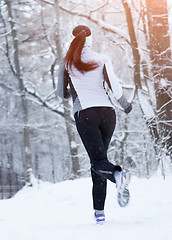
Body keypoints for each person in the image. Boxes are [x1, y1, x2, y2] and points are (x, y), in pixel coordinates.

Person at [56, 25, 133, 224]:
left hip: (86, 114)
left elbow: (61, 94)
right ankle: (99, 212)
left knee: (98, 161)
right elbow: (115, 87)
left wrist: (72, 88)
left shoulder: (66, 63)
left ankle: (118, 175)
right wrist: (126, 106)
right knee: (98, 163)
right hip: (108, 114)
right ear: (90, 39)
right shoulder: (102, 59)